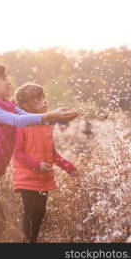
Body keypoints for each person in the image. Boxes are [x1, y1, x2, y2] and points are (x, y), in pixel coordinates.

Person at [0, 62, 77, 242]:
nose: (9, 82)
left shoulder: (6, 105)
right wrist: (50, 115)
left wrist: (59, 118)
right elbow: (16, 121)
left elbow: (26, 117)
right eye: (3, 78)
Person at [12, 82, 79, 243]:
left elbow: (52, 154)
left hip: (44, 180)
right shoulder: (20, 125)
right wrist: (37, 165)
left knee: (38, 218)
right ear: (24, 105)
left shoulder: (46, 125)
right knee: (30, 218)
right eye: (37, 99)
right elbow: (17, 154)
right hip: (27, 181)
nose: (44, 102)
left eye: (43, 98)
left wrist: (69, 167)